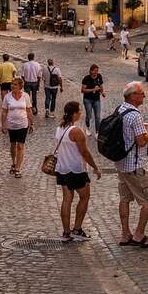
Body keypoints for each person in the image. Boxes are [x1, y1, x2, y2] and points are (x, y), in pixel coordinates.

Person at [116, 82, 148, 248]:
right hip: (135, 166)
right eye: (141, 93)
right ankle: (139, 235)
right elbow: (141, 142)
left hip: (121, 164)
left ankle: (125, 234)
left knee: (125, 199)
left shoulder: (120, 109)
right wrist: (147, 132)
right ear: (133, 96)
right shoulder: (135, 116)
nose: (144, 96)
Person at [53, 101, 102, 242]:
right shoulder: (76, 131)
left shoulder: (59, 128)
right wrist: (95, 167)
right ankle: (77, 229)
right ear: (74, 113)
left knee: (66, 200)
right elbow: (85, 152)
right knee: (85, 197)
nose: (81, 113)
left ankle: (66, 232)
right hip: (76, 169)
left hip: (62, 168)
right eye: (79, 110)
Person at [2, 76, 33, 176]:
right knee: (13, 145)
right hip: (11, 124)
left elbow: (28, 110)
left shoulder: (26, 96)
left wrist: (31, 123)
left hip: (23, 124)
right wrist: (3, 125)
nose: (12, 86)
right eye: (12, 84)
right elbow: (4, 111)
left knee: (20, 145)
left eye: (15, 84)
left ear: (20, 86)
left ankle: (18, 168)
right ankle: (13, 162)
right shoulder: (7, 97)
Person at [80, 64, 105, 135]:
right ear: (91, 71)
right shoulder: (86, 78)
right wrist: (93, 89)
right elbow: (82, 90)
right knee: (89, 115)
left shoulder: (99, 76)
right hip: (87, 100)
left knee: (97, 116)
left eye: (97, 71)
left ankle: (97, 132)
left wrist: (102, 92)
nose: (96, 72)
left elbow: (101, 86)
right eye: (95, 71)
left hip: (97, 99)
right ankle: (87, 127)